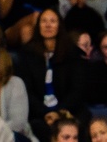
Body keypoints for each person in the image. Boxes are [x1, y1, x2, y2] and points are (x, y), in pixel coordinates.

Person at [17, 8, 89, 142]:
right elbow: (26, 90)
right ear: (38, 25)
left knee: (82, 119)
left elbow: (77, 89)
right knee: (38, 127)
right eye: (44, 21)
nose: (48, 25)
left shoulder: (72, 52)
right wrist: (46, 113)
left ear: (59, 25)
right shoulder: (27, 53)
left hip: (68, 108)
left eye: (52, 21)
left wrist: (60, 112)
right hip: (39, 112)